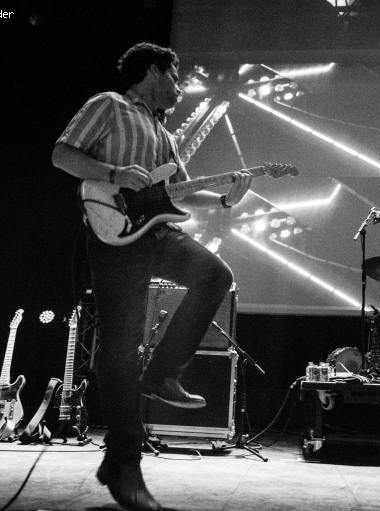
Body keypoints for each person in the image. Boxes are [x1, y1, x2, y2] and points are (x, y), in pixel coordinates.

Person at [51, 42, 252, 511]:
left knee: (215, 275)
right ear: (152, 72)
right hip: (113, 233)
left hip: (155, 232)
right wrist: (116, 172)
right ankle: (125, 465)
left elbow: (177, 193)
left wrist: (225, 200)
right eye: (176, 78)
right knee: (119, 343)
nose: (180, 89)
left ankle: (161, 373)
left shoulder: (164, 134)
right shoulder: (110, 105)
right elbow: (63, 154)